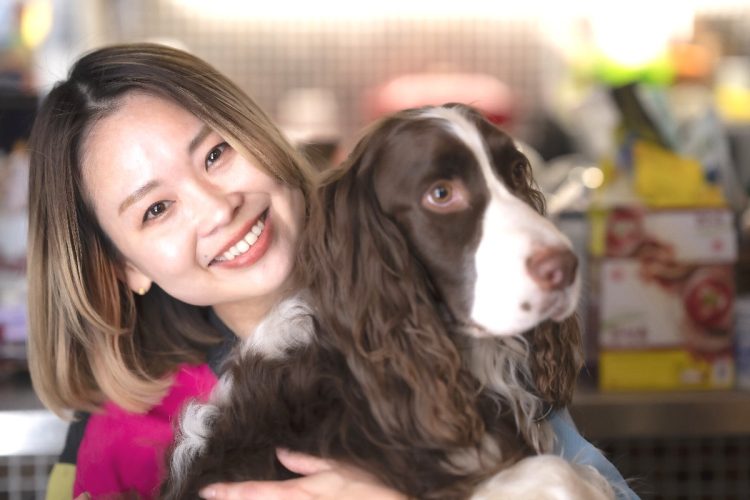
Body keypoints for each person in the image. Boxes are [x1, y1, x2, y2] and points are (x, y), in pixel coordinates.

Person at [27, 43, 637, 500]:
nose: (218, 208)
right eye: (157, 209)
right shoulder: (121, 429)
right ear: (124, 268)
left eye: (216, 153)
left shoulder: (443, 301)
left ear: (258, 134)